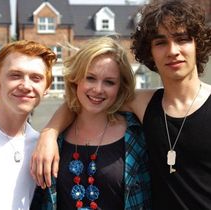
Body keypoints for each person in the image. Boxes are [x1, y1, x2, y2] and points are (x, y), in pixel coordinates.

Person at [31, 0, 211, 209]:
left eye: (182, 39)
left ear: (198, 44)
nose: (173, 50)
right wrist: (49, 134)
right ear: (150, 52)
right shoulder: (144, 104)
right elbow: (84, 100)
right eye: (161, 42)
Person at [30, 36, 151, 210]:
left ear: (120, 87)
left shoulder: (137, 135)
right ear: (76, 78)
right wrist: (49, 132)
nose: (98, 89)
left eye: (109, 82)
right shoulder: (55, 139)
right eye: (90, 78)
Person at [0, 40, 56, 210]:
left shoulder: (39, 146)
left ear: (46, 87)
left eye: (36, 78)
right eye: (15, 75)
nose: (26, 86)